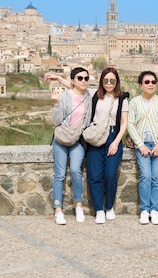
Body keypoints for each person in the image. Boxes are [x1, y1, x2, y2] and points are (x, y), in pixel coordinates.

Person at [46, 67, 129, 225]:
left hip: (112, 136)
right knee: (93, 175)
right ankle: (98, 210)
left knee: (110, 174)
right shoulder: (94, 94)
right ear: (101, 81)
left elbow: (124, 123)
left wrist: (117, 142)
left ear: (117, 81)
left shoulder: (122, 98)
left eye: (112, 80)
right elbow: (76, 87)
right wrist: (58, 79)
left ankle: (108, 207)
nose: (109, 83)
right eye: (106, 80)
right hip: (93, 136)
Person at [127, 71, 158, 225]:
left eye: (153, 82)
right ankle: (144, 210)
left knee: (156, 177)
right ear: (140, 85)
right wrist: (140, 144)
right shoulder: (134, 103)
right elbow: (130, 124)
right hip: (143, 146)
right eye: (147, 82)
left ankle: (155, 210)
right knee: (146, 176)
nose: (150, 84)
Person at [49, 67, 90, 225]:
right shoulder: (65, 96)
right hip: (61, 138)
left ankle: (78, 205)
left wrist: (60, 79)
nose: (84, 81)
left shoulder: (88, 96)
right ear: (72, 81)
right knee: (59, 174)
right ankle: (58, 209)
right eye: (80, 78)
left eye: (86, 78)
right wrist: (56, 103)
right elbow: (56, 121)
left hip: (77, 139)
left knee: (75, 170)